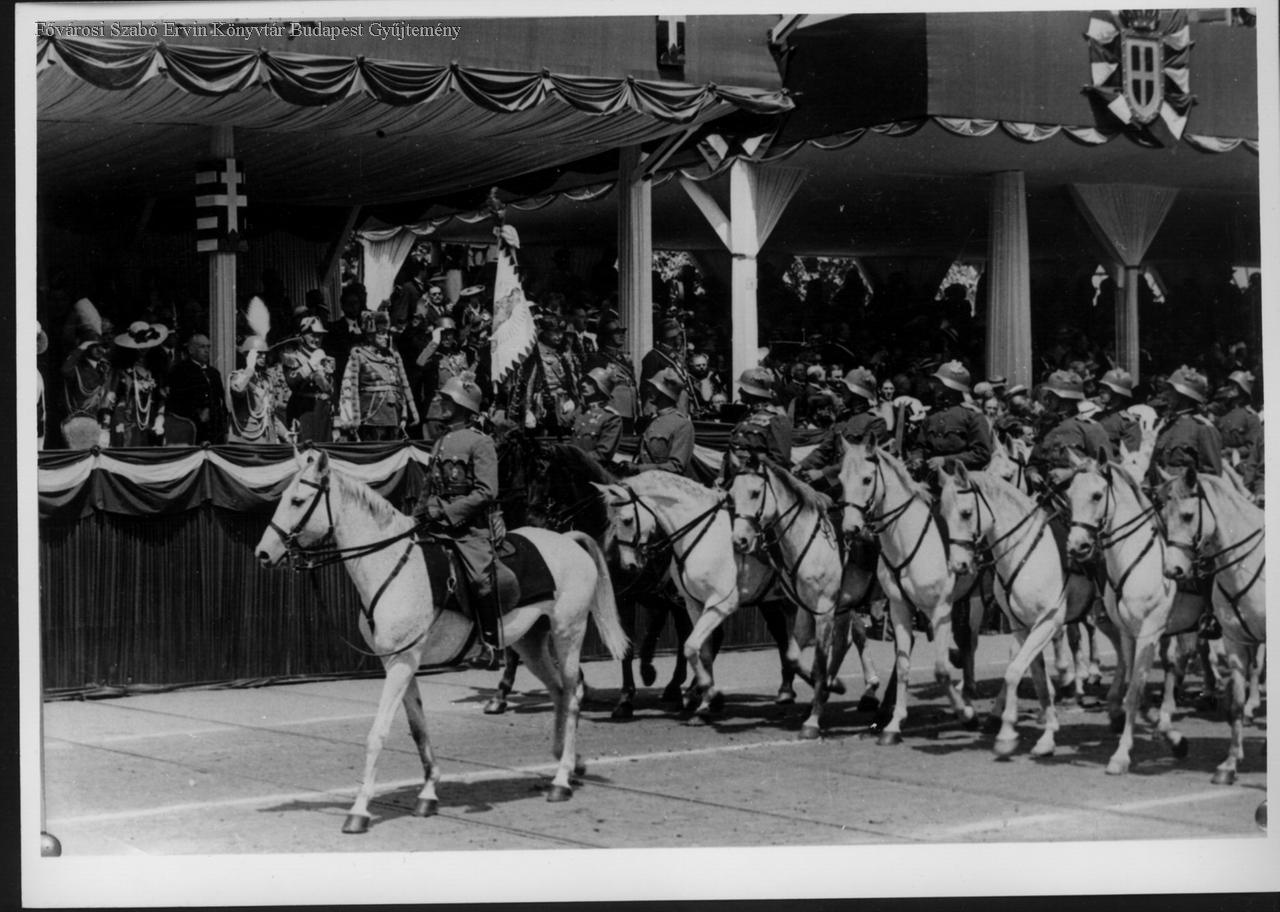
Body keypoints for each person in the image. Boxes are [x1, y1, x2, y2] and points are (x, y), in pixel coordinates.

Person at [413, 375, 504, 669]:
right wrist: (416, 517)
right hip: (436, 525)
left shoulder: (480, 442)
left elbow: (487, 492)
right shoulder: (441, 442)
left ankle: (491, 646)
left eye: (446, 400)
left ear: (463, 405)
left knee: (480, 580)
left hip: (469, 529)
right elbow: (429, 486)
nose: (440, 403)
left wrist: (448, 513)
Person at [798, 367, 887, 488]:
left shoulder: (875, 422)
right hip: (834, 478)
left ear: (855, 394)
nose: (842, 392)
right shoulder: (843, 418)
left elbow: (860, 458)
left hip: (856, 484)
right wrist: (802, 465)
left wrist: (822, 473)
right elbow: (825, 449)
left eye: (845, 389)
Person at [337, 311, 419, 442]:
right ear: (370, 335)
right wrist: (350, 419)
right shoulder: (359, 356)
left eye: (387, 333)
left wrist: (404, 415)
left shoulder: (393, 357)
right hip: (370, 417)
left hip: (394, 416)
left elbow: (400, 388)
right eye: (381, 333)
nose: (386, 337)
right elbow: (348, 389)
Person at [1026, 370, 1111, 493]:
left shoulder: (1090, 428)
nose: (1046, 399)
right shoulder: (1048, 428)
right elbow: (1033, 463)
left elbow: (1106, 467)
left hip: (1081, 497)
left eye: (1051, 396)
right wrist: (1032, 474)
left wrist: (1071, 472)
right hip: (1046, 496)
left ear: (1064, 399)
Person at [909, 361, 992, 478]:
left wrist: (946, 461)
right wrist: (917, 458)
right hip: (930, 478)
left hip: (961, 480)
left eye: (939, 383)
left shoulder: (972, 416)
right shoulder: (932, 416)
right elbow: (919, 446)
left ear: (949, 388)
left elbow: (982, 454)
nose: (934, 386)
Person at [512, 314, 579, 434]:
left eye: (561, 332)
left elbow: (574, 381)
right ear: (544, 332)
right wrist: (527, 411)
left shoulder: (565, 352)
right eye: (554, 332)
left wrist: (574, 400)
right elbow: (528, 385)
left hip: (565, 406)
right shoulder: (534, 354)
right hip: (542, 407)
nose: (559, 336)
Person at [1152, 365, 1223, 477]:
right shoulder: (1167, 426)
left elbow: (1212, 476)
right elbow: (1153, 467)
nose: (1167, 395)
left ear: (1184, 395)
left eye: (1172, 391)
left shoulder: (1203, 428)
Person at [109, 321, 169, 447]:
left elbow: (161, 396)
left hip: (151, 419)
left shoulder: (156, 369)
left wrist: (160, 416)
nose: (144, 348)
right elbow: (112, 397)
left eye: (148, 345)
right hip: (126, 419)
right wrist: (106, 425)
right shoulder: (121, 370)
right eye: (139, 345)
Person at [626, 368, 695, 475]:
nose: (649, 390)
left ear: (665, 392)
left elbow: (676, 466)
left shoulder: (682, 424)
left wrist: (639, 468)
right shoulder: (652, 421)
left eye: (654, 388)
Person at [724, 367, 791, 475]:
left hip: (759, 478)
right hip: (736, 476)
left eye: (743, 388)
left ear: (752, 392)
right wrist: (721, 476)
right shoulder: (746, 416)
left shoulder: (776, 419)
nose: (739, 391)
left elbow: (780, 460)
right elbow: (731, 450)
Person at [416, 316, 473, 440]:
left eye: (450, 334)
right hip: (436, 412)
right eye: (443, 334)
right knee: (433, 448)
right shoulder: (431, 355)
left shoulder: (461, 356)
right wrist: (435, 342)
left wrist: (476, 363)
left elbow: (468, 383)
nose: (447, 338)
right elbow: (420, 362)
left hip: (457, 412)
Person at [281, 316, 335, 443]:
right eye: (312, 335)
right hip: (303, 409)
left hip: (323, 411)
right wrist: (311, 364)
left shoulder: (324, 357)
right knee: (305, 448)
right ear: (302, 336)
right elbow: (292, 382)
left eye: (320, 336)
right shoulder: (291, 357)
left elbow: (331, 387)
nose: (317, 339)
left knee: (325, 449)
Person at [165, 333, 227, 445]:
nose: (206, 350)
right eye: (202, 347)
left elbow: (221, 401)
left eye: (208, 347)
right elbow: (176, 403)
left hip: (215, 432)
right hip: (191, 430)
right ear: (191, 350)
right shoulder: (180, 371)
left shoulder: (214, 373)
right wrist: (198, 413)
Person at [60, 327, 115, 449]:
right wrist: (80, 348)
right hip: (79, 422)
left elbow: (106, 398)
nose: (99, 350)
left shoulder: (104, 369)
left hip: (99, 422)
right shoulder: (77, 368)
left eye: (101, 346)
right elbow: (65, 370)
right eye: (94, 346)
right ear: (86, 348)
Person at [228, 336, 288, 444]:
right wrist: (249, 368)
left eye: (265, 353)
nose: (263, 356)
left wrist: (286, 434)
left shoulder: (266, 380)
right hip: (246, 441)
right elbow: (239, 390)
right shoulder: (238, 377)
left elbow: (269, 414)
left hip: (266, 440)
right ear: (248, 355)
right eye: (259, 353)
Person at [1213, 370, 1262, 498]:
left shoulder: (1251, 417)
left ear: (1243, 390)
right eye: (1230, 384)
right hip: (1219, 464)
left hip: (1239, 469)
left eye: (1235, 385)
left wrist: (1232, 452)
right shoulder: (1223, 415)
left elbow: (1253, 448)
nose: (1230, 388)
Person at [584, 317, 637, 422]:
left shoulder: (625, 358)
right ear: (606, 335)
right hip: (610, 412)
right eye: (616, 332)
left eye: (622, 332)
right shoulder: (597, 358)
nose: (622, 335)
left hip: (628, 411)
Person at [568, 367, 623, 464]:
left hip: (592, 469)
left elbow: (603, 454)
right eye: (584, 381)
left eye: (590, 382)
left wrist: (575, 460)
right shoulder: (581, 411)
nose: (583, 385)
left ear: (601, 387)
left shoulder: (611, 418)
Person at [640, 318, 692, 415]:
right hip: (665, 409)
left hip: (681, 405)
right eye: (678, 335)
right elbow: (648, 388)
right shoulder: (654, 356)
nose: (681, 338)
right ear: (670, 337)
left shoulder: (677, 356)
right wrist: (650, 411)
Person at [1093, 368, 1142, 457]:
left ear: (1117, 392)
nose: (1100, 391)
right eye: (1101, 387)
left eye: (1106, 388)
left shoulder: (1128, 423)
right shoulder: (1096, 416)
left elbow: (1131, 457)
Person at [688, 352, 725, 418]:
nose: (702, 367)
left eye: (704, 365)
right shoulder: (689, 380)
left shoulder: (714, 378)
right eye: (698, 365)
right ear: (692, 367)